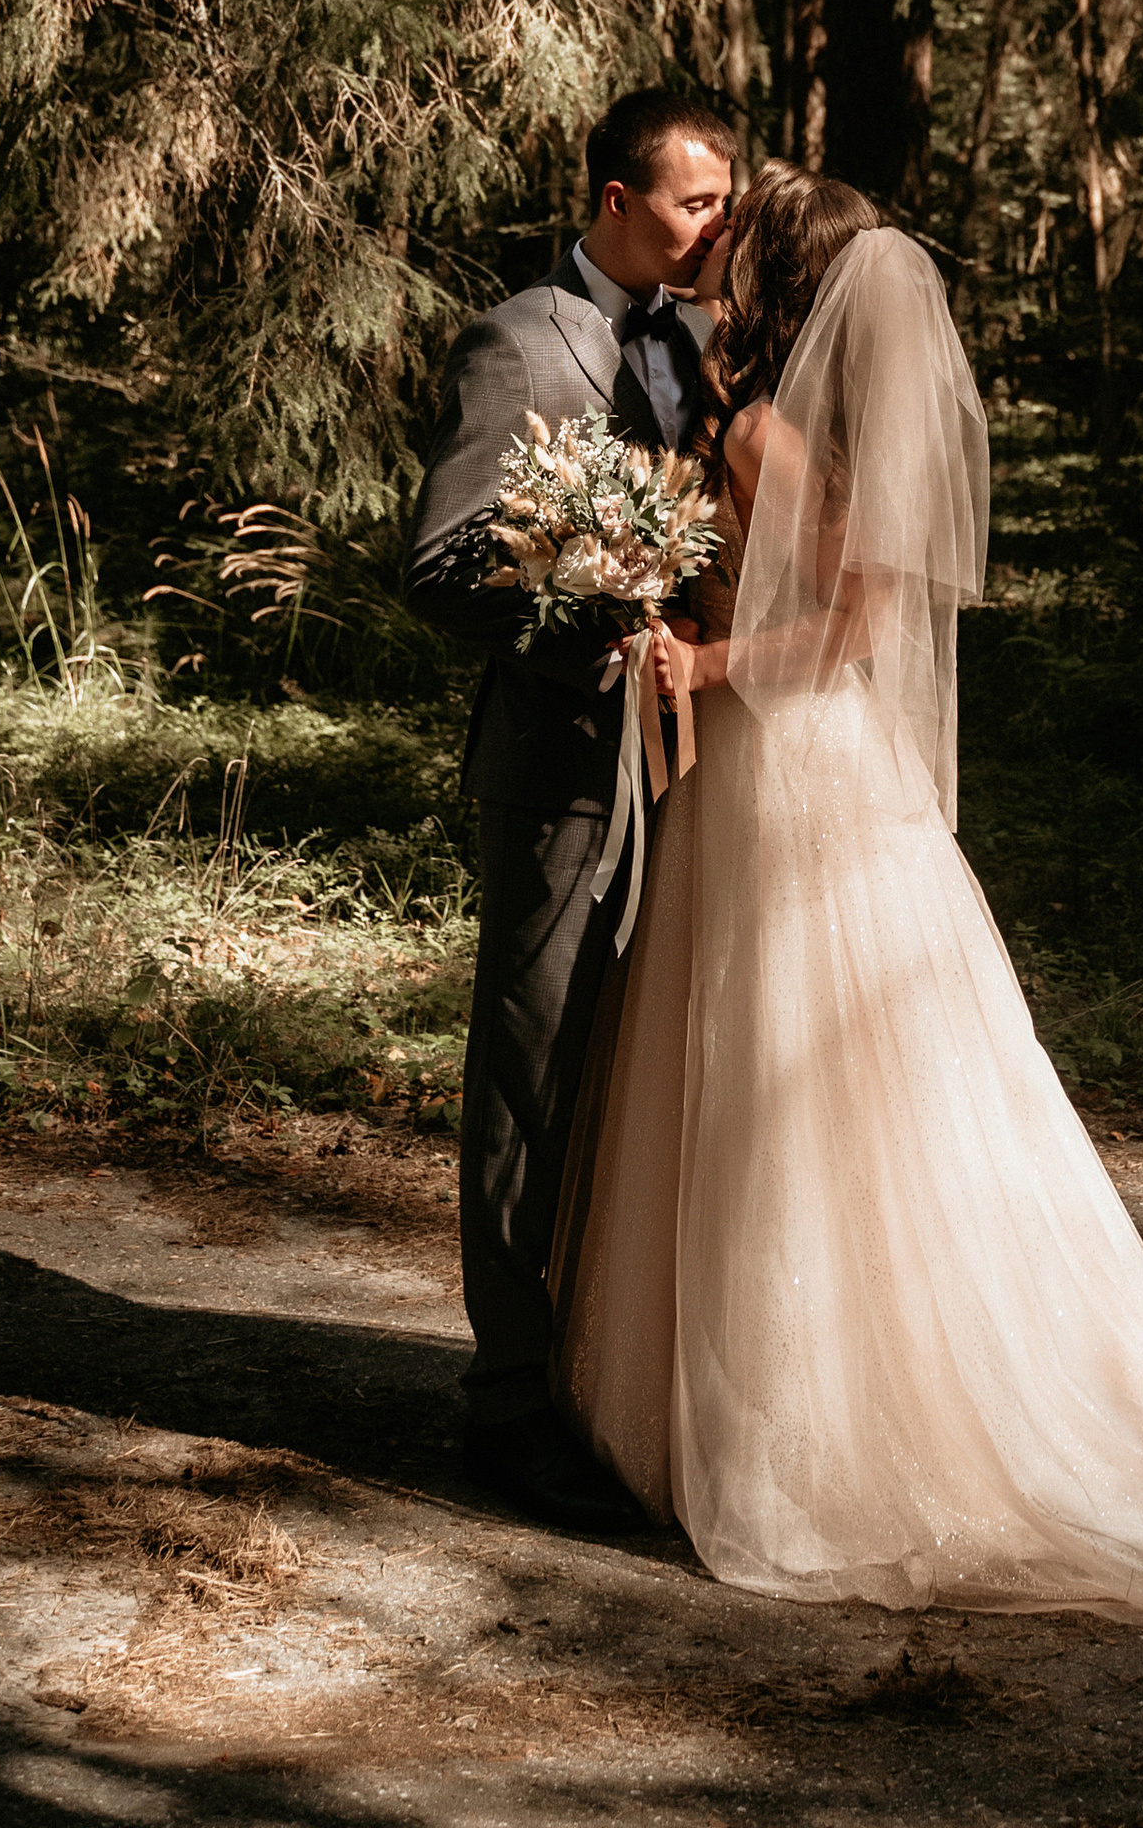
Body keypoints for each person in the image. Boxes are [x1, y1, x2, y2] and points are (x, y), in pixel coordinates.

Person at [551, 171, 1143, 1652]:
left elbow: (846, 629)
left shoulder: (763, 427)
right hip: (823, 777)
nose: (717, 252)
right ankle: (771, 1401)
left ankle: (798, 1425)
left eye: (738, 238)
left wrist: (708, 666)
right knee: (846, 1098)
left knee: (780, 1088)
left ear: (777, 283)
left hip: (782, 768)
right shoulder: (811, 421)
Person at [403, 80, 733, 1532]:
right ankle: (509, 1399)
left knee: (652, 1077)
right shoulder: (522, 340)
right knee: (533, 1072)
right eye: (695, 200)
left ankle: (619, 1375)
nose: (718, 223)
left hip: (704, 772)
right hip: (566, 775)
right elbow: (438, 564)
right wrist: (582, 619)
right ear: (617, 202)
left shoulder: (717, 343)